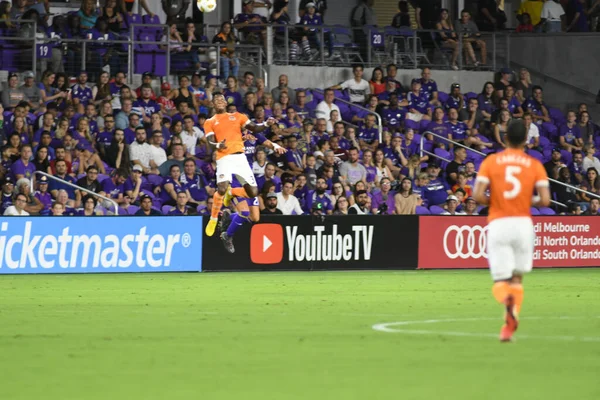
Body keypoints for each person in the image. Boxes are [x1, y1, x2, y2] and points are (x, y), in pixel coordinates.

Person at [473, 119, 550, 342]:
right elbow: (545, 200)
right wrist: (525, 198)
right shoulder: (534, 165)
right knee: (517, 279)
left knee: (500, 281)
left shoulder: (492, 161)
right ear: (526, 140)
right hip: (523, 225)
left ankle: (506, 302)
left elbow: (477, 196)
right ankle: (509, 326)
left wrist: (495, 199)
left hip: (499, 222)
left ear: (505, 138)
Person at [203, 94, 286, 246]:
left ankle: (229, 213)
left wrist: (275, 146)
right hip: (232, 173)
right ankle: (226, 234)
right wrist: (218, 146)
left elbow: (265, 141)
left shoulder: (250, 131)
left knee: (255, 217)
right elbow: (210, 141)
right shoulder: (220, 127)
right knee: (245, 211)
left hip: (243, 168)